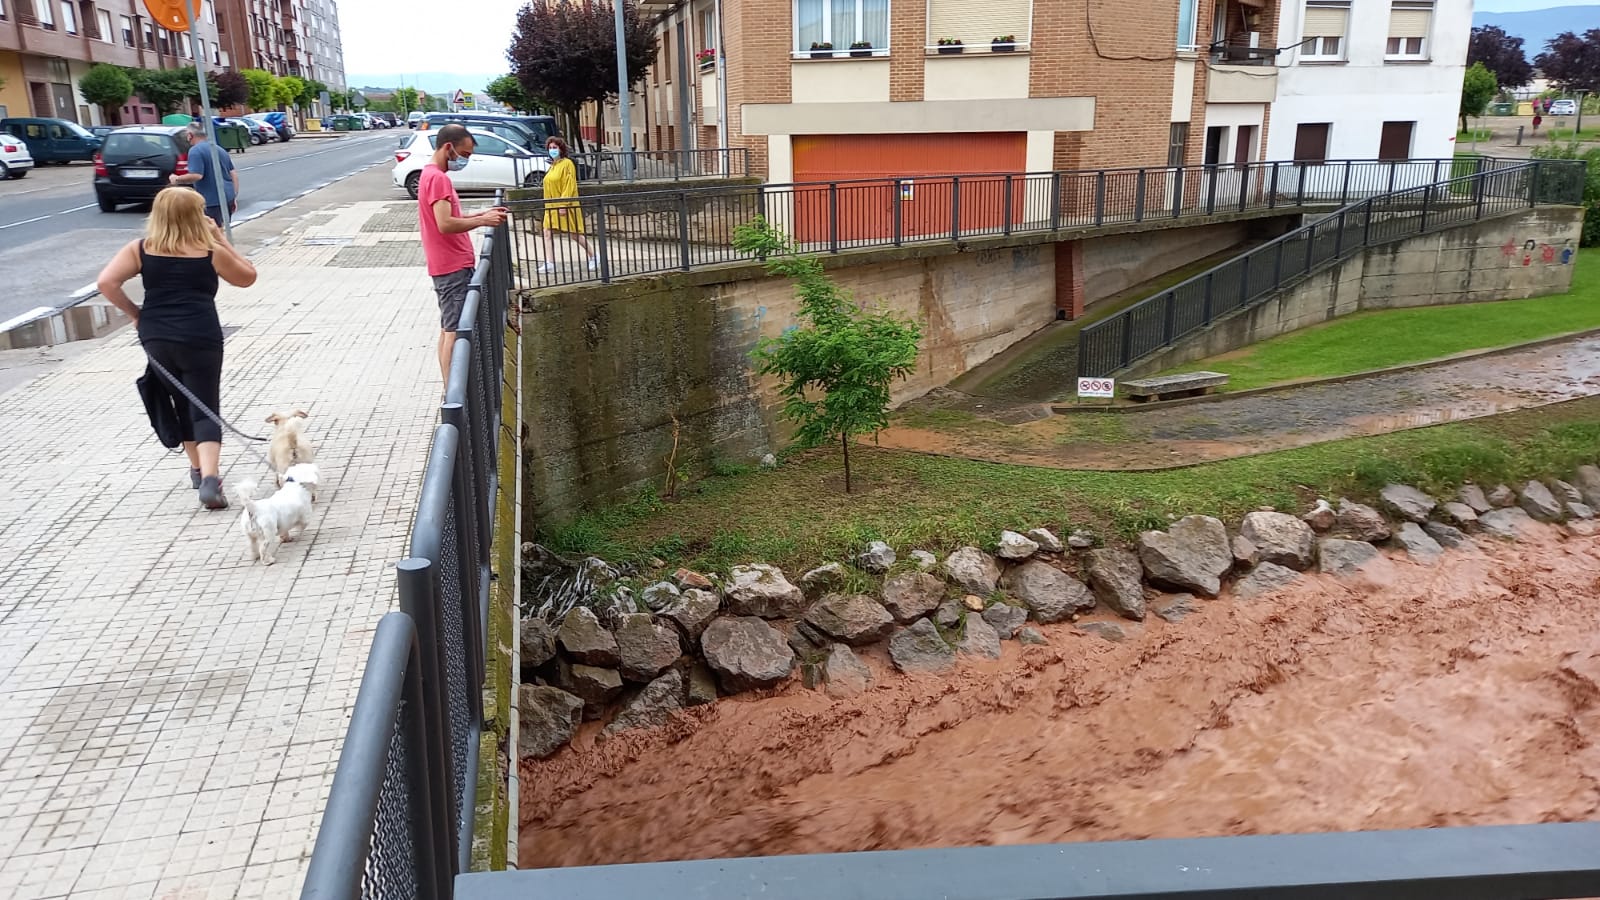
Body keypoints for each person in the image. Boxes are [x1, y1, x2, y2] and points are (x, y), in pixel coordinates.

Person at [97, 188, 258, 509]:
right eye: (200, 211)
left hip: (156, 336)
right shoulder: (209, 250)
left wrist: (136, 315)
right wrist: (221, 237)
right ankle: (211, 480)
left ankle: (198, 470)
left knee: (180, 400)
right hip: (201, 336)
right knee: (205, 404)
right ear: (191, 216)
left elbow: (106, 283)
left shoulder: (140, 250)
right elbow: (247, 277)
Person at [418, 123, 508, 384]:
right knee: (454, 331)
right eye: (464, 154)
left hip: (448, 264)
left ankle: (452, 390)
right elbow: (445, 224)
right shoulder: (438, 178)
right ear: (449, 148)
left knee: (449, 328)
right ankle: (453, 397)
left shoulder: (430, 175)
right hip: (451, 266)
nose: (466, 160)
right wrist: (483, 222)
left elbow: (451, 217)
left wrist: (480, 214)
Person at [539, 136, 597, 273]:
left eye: (555, 147)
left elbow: (569, 185)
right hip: (551, 206)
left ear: (561, 149)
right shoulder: (553, 166)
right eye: (550, 148)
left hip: (563, 205)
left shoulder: (567, 164)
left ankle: (594, 256)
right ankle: (549, 263)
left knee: (574, 234)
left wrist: (563, 204)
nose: (552, 150)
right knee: (547, 232)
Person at [169, 121, 238, 228]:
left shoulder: (195, 151)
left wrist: (176, 179)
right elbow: (233, 173)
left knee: (212, 233)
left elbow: (197, 175)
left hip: (211, 200)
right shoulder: (219, 149)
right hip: (227, 197)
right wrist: (234, 196)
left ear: (190, 135)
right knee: (220, 230)